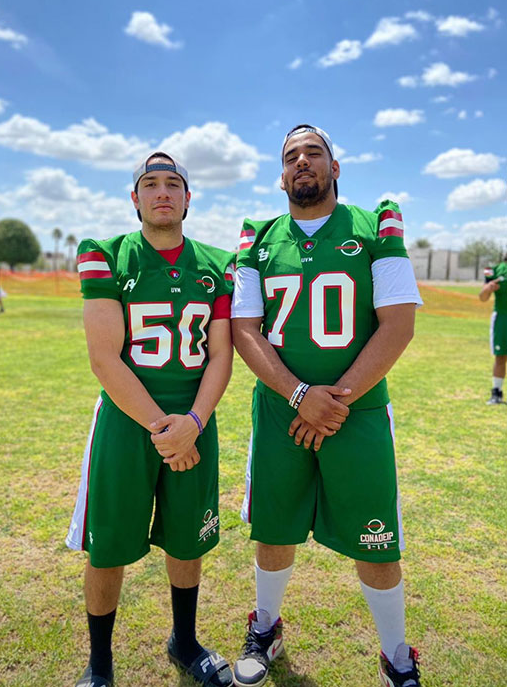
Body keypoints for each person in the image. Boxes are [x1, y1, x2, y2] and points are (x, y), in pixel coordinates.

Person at [231, 124, 423, 687]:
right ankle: (265, 627)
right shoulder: (259, 238)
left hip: (356, 413)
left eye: (314, 153)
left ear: (335, 167)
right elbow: (245, 329)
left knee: (376, 536)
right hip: (279, 410)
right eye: (291, 157)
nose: (302, 162)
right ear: (281, 174)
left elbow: (399, 324)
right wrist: (298, 395)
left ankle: (396, 656)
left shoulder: (374, 226)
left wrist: (332, 402)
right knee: (273, 529)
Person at [66, 151, 235, 687]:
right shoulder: (105, 255)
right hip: (128, 422)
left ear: (188, 197)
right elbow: (103, 358)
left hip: (194, 420)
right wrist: (167, 430)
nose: (162, 192)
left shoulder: (219, 264)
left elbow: (221, 356)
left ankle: (184, 642)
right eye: (150, 184)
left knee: (187, 540)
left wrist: (194, 422)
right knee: (109, 545)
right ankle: (101, 663)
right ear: (134, 197)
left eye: (173, 184)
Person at [479, 256, 507, 404]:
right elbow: (482, 297)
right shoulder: (492, 270)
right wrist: (489, 288)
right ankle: (496, 393)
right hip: (502, 318)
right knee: (500, 356)